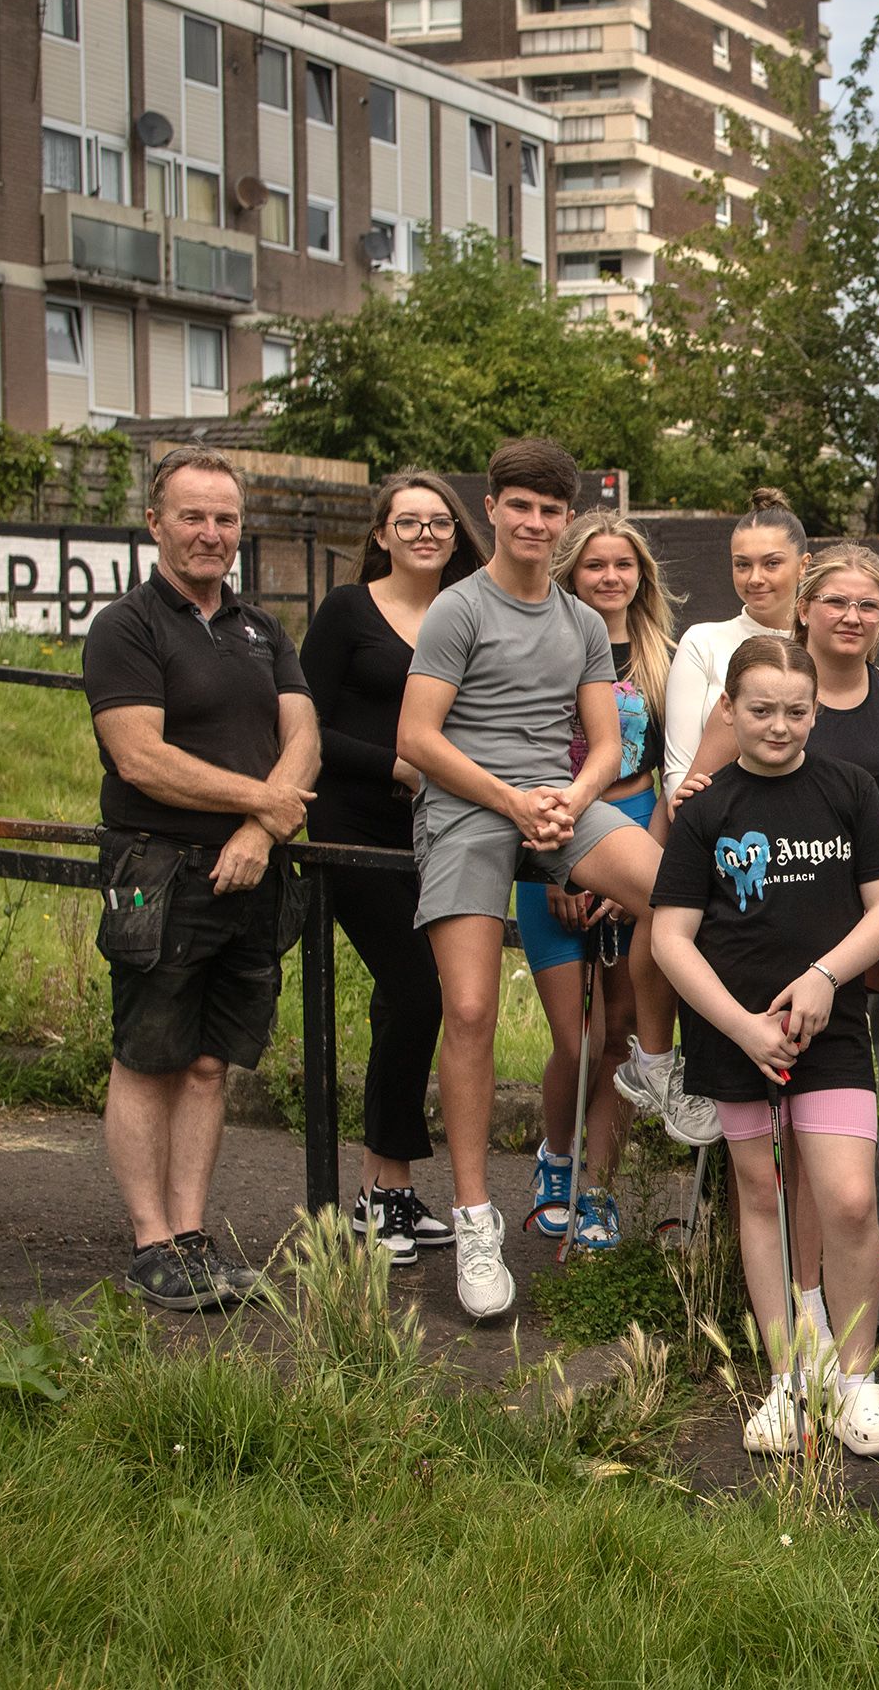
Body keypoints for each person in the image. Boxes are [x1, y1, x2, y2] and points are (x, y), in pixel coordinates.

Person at [676, 545, 879, 1333]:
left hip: (871, 903)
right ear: (805, 609)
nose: (851, 618)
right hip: (775, 919)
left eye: (865, 606)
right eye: (836, 603)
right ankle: (804, 1304)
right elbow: (705, 797)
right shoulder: (766, 695)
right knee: (792, 1154)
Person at [397, 437, 681, 1321]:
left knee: (677, 896)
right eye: (520, 506)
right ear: (493, 509)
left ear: (564, 520)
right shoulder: (458, 608)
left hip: (558, 802)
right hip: (467, 804)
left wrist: (570, 797)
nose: (534, 522)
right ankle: (476, 1219)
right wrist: (515, 804)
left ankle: (660, 1066)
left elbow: (604, 744)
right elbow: (417, 739)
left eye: (550, 510)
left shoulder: (582, 623)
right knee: (473, 1009)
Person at [649, 636, 879, 1456]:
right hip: (736, 1035)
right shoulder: (704, 812)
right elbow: (670, 938)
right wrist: (740, 1025)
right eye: (760, 710)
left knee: (848, 1199)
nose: (779, 726)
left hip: (826, 1028)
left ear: (815, 711)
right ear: (727, 709)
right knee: (761, 1198)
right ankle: (788, 1384)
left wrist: (827, 977)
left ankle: (857, 1382)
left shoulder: (849, 791)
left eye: (797, 711)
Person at [83, 445, 319, 1311]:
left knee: (213, 1065)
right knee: (149, 1056)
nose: (210, 533)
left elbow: (306, 736)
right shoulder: (128, 627)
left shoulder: (262, 627)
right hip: (159, 869)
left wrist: (261, 827)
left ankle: (190, 1233)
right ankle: (150, 1241)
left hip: (252, 873)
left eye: (224, 518)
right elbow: (140, 756)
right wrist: (266, 800)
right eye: (192, 516)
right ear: (155, 522)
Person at [300, 469, 482, 1263]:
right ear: (380, 536)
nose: (424, 535)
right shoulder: (348, 612)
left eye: (439, 523)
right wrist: (398, 767)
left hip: (439, 832)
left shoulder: (470, 613)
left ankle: (388, 1193)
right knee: (418, 989)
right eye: (407, 522)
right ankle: (384, 1193)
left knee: (405, 1001)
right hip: (354, 826)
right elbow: (304, 722)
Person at [515, 511, 679, 1250]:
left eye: (624, 566)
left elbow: (674, 775)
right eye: (595, 566)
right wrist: (556, 861)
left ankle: (599, 1191)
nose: (611, 578)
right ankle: (555, 1159)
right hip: (553, 832)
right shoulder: (543, 644)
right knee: (574, 1039)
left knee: (617, 1037)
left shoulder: (663, 658)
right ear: (570, 573)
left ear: (640, 576)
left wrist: (639, 853)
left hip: (642, 831)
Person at [662, 487, 806, 794]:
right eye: (742, 564)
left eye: (771, 564)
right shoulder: (702, 642)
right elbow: (678, 773)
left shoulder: (822, 648)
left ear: (803, 565)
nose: (755, 578)